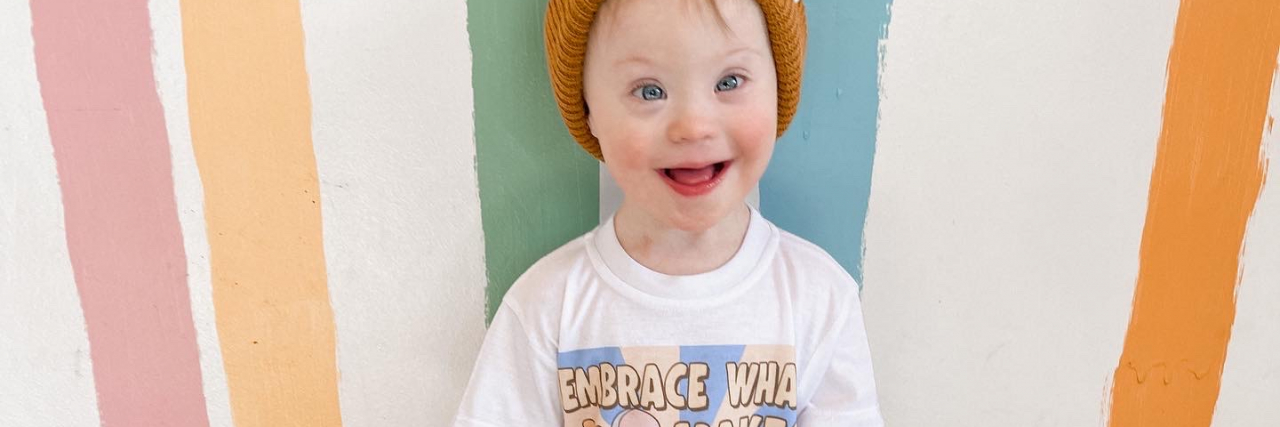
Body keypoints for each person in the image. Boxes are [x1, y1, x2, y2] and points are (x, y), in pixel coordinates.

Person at [453, 0, 883, 425]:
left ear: (779, 87)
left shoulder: (820, 300)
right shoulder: (545, 308)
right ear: (589, 110)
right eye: (649, 91)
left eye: (730, 81)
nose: (694, 126)